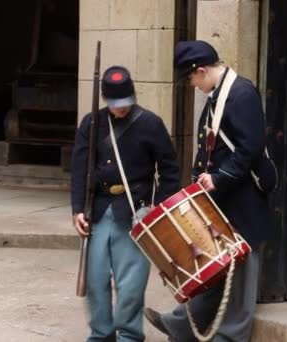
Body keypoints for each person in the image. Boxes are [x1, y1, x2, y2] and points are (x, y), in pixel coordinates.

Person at [144, 40, 271, 341]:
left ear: (200, 71)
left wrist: (220, 177)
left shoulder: (240, 93)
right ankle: (181, 325)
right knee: (213, 269)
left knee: (241, 276)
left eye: (190, 79)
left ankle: (229, 337)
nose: (192, 85)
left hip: (243, 198)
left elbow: (250, 147)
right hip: (224, 197)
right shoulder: (221, 95)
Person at [71, 65, 180, 342]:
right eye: (116, 105)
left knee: (131, 283)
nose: (121, 110)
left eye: (125, 104)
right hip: (97, 211)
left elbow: (169, 171)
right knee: (95, 281)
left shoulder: (150, 123)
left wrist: (158, 210)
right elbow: (80, 167)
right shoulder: (91, 123)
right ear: (106, 100)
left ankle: (129, 335)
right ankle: (101, 334)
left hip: (134, 212)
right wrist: (76, 210)